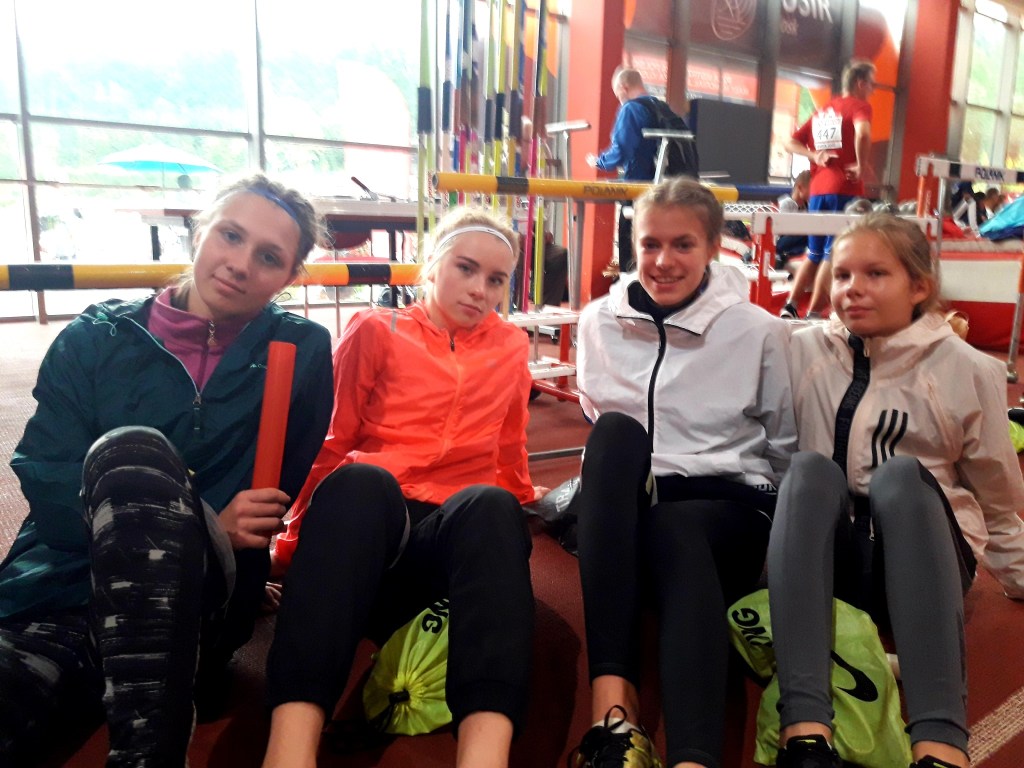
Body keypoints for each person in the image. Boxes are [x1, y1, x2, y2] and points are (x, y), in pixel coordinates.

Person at [0, 175, 334, 766]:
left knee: (132, 449)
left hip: (192, 609)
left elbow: (272, 496)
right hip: (61, 591)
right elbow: (48, 481)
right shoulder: (94, 338)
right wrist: (201, 525)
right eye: (230, 235)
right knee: (132, 454)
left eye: (269, 257)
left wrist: (224, 557)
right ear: (198, 232)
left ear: (290, 277)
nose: (239, 264)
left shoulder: (300, 351)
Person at [262, 206, 542, 768]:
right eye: (466, 268)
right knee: (360, 480)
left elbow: (510, 447)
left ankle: (484, 758)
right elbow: (333, 441)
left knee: (493, 503)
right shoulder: (377, 329)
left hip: (445, 546)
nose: (480, 290)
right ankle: (288, 753)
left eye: (496, 280)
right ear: (431, 264)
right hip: (370, 540)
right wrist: (290, 553)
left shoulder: (511, 345)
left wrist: (512, 534)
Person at [767, 213, 1024, 768]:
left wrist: (1018, 574)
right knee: (808, 470)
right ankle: (805, 735)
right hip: (831, 566)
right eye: (841, 275)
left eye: (876, 274)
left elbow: (1001, 500)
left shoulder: (968, 369)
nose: (852, 289)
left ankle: (941, 743)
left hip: (922, 556)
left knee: (899, 477)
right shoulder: (799, 350)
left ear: (919, 287)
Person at [570, 177, 798, 768]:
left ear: (714, 248)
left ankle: (694, 758)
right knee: (613, 435)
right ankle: (612, 714)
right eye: (650, 244)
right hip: (638, 507)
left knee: (674, 528)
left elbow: (786, 443)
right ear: (633, 245)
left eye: (683, 245)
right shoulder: (596, 322)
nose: (663, 261)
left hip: (727, 509)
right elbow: (595, 411)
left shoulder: (759, 331)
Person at [780, 59, 875, 320]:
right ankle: (812, 313)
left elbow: (789, 142)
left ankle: (790, 305)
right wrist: (861, 164)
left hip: (818, 190)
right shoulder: (859, 106)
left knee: (812, 253)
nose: (872, 90)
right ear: (860, 83)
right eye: (872, 85)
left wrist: (813, 154)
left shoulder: (823, 111)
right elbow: (863, 133)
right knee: (830, 254)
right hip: (844, 188)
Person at [585, 67, 659, 271]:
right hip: (663, 188)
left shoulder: (631, 109)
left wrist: (599, 162)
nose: (619, 100)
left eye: (618, 94)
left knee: (628, 242)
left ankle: (629, 282)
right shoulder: (659, 107)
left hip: (636, 187)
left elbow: (622, 151)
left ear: (624, 87)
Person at [775, 170, 811, 269]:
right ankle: (779, 255)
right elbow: (783, 229)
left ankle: (791, 255)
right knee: (806, 233)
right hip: (784, 241)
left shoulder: (808, 206)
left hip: (798, 243)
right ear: (800, 188)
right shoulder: (787, 203)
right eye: (812, 189)